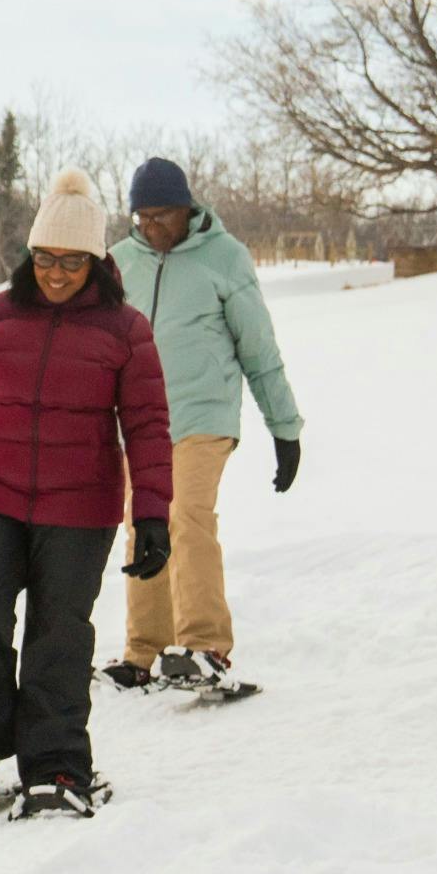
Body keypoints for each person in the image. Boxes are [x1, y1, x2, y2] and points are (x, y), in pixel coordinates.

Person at [0, 173, 168, 818]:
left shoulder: (125, 330)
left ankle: (56, 765)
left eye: (72, 261)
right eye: (46, 258)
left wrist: (153, 517)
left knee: (59, 633)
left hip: (80, 508)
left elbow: (147, 427)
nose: (56, 273)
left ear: (96, 261)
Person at [105, 157, 303, 696]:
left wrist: (284, 428)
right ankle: (145, 652)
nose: (151, 227)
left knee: (185, 515)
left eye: (162, 215)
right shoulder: (120, 263)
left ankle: (206, 647)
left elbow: (258, 348)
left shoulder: (225, 257)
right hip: (141, 426)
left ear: (187, 208)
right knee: (141, 527)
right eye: (141, 217)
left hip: (203, 414)